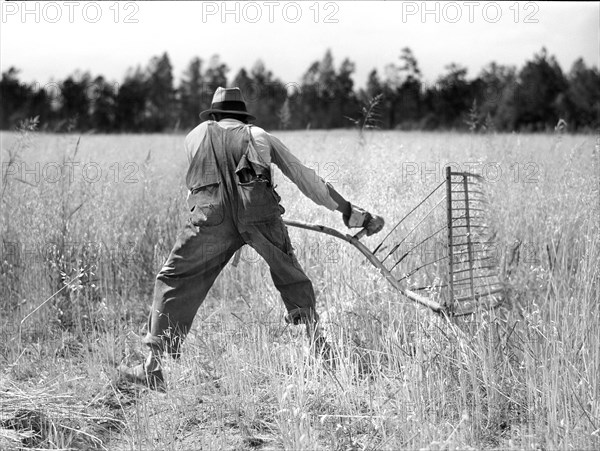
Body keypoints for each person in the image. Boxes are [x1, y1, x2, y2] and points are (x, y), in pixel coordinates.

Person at [119, 87, 384, 390]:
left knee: (174, 278)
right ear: (242, 116)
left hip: (209, 218)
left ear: (215, 115)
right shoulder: (259, 135)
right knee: (291, 275)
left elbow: (197, 188)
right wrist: (349, 211)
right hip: (259, 215)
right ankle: (321, 353)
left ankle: (154, 368)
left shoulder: (195, 136)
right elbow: (307, 179)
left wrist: (218, 230)